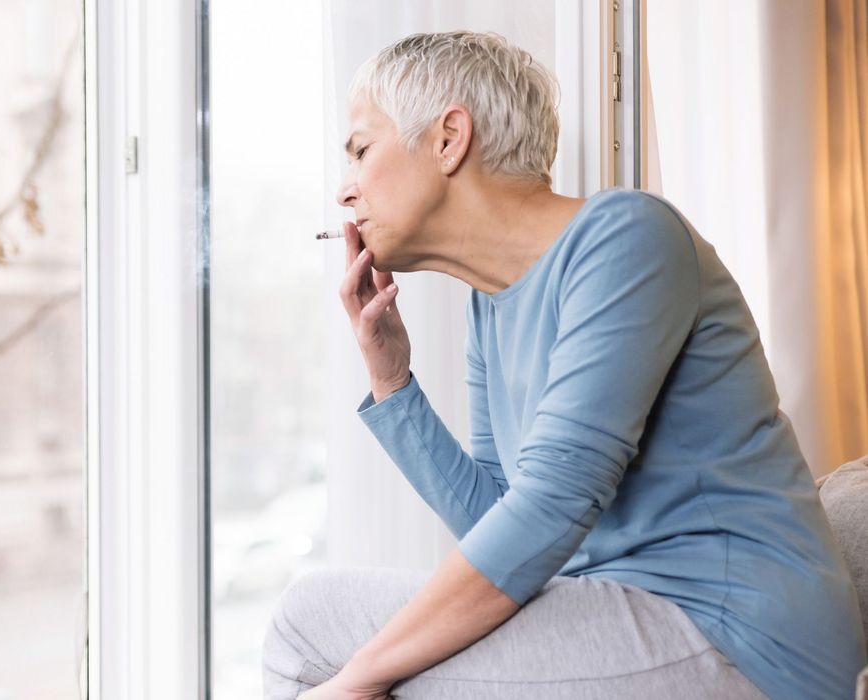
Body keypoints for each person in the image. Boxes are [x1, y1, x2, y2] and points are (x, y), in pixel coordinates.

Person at [262, 30, 866, 700]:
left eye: (360, 150)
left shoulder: (627, 237)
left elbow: (553, 502)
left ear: (447, 138)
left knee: (309, 627)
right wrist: (390, 379)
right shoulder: (489, 308)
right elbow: (496, 522)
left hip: (742, 638)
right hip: (623, 614)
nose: (344, 190)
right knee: (321, 629)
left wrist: (354, 679)